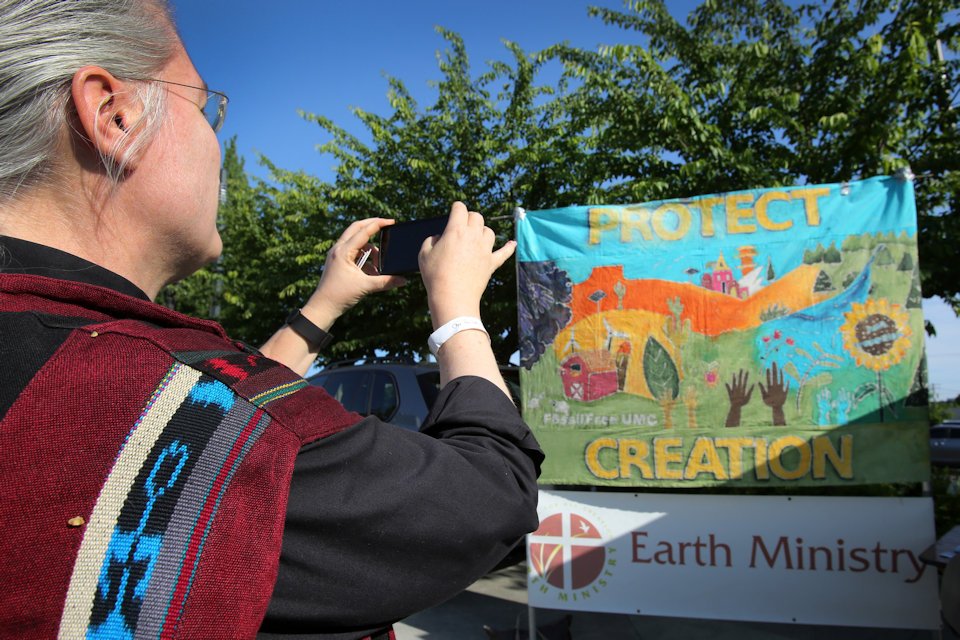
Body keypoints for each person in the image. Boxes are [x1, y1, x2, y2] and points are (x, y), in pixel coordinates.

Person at [0, 1, 543, 638]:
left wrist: (325, 306)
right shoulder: (143, 392)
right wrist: (455, 310)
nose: (215, 139)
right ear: (114, 116)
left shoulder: (56, 351)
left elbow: (223, 414)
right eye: (204, 107)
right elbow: (491, 495)